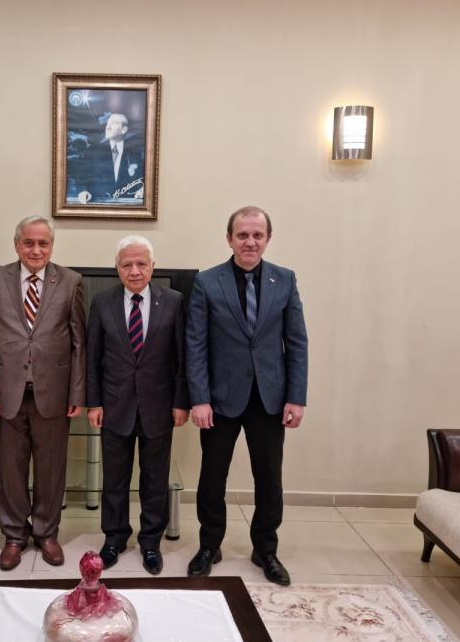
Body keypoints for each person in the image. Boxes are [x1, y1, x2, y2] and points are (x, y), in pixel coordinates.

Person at [185, 206, 308, 585]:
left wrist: (296, 397)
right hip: (220, 399)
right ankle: (209, 546)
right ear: (229, 239)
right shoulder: (207, 281)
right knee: (212, 478)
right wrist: (199, 398)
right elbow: (195, 344)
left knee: (269, 477)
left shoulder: (284, 280)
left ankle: (265, 549)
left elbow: (297, 342)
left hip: (270, 399)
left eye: (257, 235)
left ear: (268, 239)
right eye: (242, 235)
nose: (250, 242)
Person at [0, 215, 86, 570]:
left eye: (43, 243)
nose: (36, 250)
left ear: (51, 246)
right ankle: (14, 535)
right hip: (8, 393)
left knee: (51, 468)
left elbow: (79, 343)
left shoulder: (71, 281)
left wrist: (77, 394)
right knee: (11, 469)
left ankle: (46, 533)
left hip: (53, 393)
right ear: (16, 245)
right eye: (29, 243)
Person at [86, 236, 189, 575]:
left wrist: (181, 402)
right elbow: (92, 357)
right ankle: (114, 538)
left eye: (141, 264)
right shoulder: (102, 302)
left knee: (155, 479)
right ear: (117, 269)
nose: (134, 270)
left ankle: (150, 542)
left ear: (152, 267)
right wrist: (93, 402)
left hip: (158, 406)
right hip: (114, 405)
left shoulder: (173, 301)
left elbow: (181, 358)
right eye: (127, 264)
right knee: (114, 479)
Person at [83, 113, 144, 202]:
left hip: (128, 204)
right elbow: (82, 176)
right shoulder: (93, 151)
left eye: (114, 123)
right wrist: (83, 191)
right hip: (100, 203)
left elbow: (145, 176)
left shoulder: (136, 152)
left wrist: (144, 189)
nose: (108, 127)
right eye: (107, 123)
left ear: (124, 129)